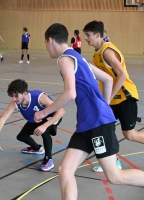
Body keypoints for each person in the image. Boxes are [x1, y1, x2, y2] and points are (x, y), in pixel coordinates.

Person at [35, 23, 144, 200]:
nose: (46, 47)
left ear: (50, 40)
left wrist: (43, 112)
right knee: (65, 170)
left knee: (115, 176)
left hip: (97, 123)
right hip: (86, 124)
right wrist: (106, 105)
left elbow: (70, 93)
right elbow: (108, 79)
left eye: (45, 43)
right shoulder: (79, 57)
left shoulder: (64, 59)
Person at [83, 20, 143, 173]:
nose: (86, 38)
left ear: (97, 35)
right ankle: (113, 160)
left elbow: (122, 75)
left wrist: (107, 98)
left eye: (88, 35)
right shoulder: (97, 53)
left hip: (125, 97)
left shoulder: (107, 51)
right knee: (104, 128)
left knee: (129, 135)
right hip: (112, 99)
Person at [0, 79, 64, 171]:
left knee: (44, 132)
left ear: (25, 93)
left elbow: (61, 111)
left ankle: (48, 159)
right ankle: (37, 148)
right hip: (37, 119)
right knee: (21, 136)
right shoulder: (15, 103)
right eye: (12, 96)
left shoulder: (39, 97)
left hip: (52, 117)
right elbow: (3, 119)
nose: (14, 99)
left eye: (16, 96)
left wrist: (44, 126)